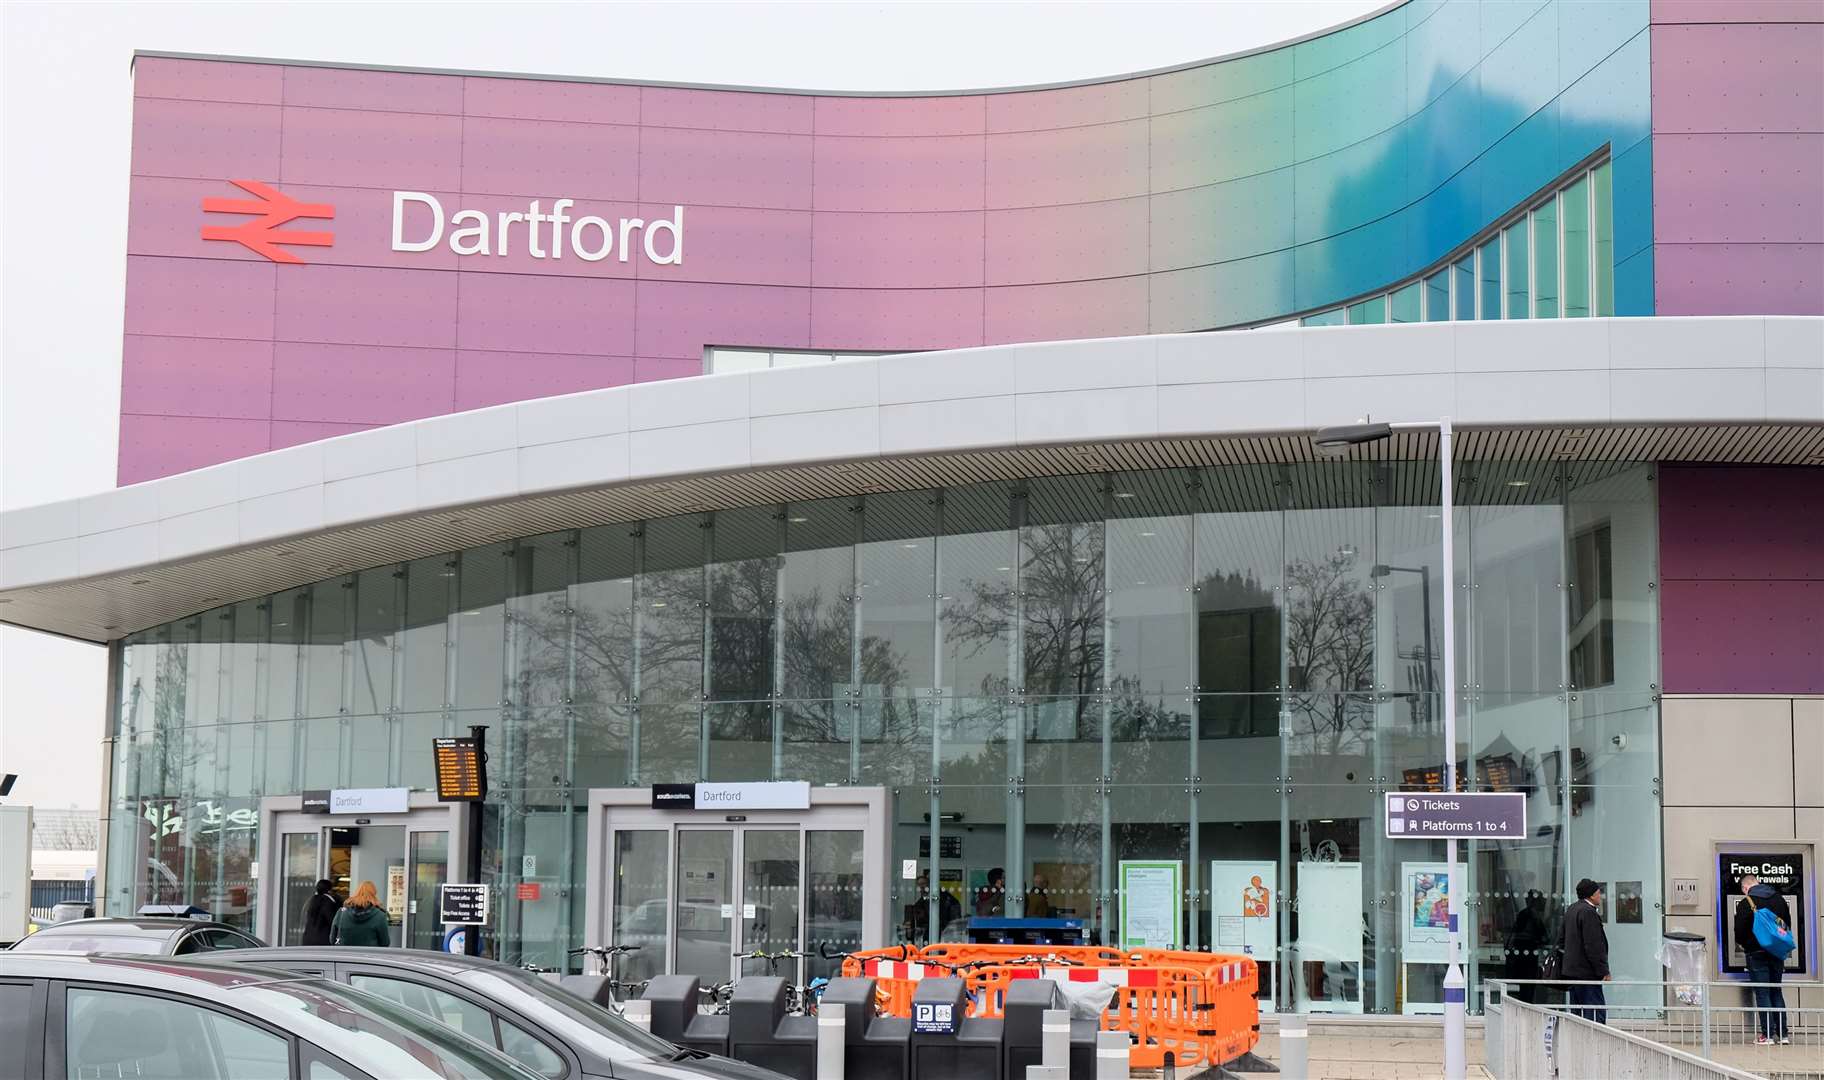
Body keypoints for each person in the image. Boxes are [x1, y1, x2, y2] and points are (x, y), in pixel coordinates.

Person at [1733, 874, 1792, 1045]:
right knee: (1776, 991)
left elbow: (1739, 931)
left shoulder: (1746, 903)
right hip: (1776, 951)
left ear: (1745, 888)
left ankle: (1767, 1035)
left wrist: (1747, 944)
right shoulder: (1779, 899)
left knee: (1762, 992)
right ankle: (1783, 1035)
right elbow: (1786, 925)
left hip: (1756, 953)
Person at [1560, 878, 1610, 1023]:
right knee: (1594, 1014)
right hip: (1587, 973)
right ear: (1591, 895)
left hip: (1572, 972)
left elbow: (1561, 939)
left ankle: (1580, 1044)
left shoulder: (1572, 909)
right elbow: (1594, 945)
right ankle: (1595, 1043)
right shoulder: (1588, 912)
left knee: (1578, 1013)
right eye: (1598, 892)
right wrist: (1603, 970)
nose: (1600, 895)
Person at [1504, 890, 1549, 1003]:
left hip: (1522, 954)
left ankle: (1524, 1004)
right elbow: (1544, 936)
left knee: (1524, 986)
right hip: (1528, 954)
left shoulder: (1523, 914)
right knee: (1529, 985)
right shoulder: (1534, 916)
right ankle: (1527, 1004)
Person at [330, 880, 390, 947]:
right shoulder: (380, 916)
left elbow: (332, 939)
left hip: (345, 955)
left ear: (356, 892)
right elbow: (385, 942)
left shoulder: (341, 913)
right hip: (368, 956)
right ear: (374, 894)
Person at [300, 879, 341, 946]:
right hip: (322, 940)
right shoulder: (328, 901)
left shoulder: (311, 900)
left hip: (307, 939)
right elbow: (333, 921)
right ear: (329, 889)